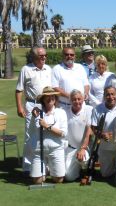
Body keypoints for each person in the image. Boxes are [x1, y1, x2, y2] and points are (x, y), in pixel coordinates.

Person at [15, 47, 52, 175]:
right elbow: (19, 90)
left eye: (45, 55)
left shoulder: (49, 69)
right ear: (34, 57)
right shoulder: (26, 69)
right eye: (41, 56)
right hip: (32, 104)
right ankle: (27, 166)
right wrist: (19, 107)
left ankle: (44, 163)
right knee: (30, 135)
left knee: (45, 134)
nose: (44, 58)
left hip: (46, 105)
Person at [30, 86, 68, 184]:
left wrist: (47, 127)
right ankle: (44, 169)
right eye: (47, 96)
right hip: (39, 150)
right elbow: (32, 130)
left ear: (55, 99)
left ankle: (50, 167)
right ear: (43, 99)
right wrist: (35, 116)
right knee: (38, 181)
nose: (50, 98)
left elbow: (63, 133)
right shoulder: (36, 113)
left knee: (58, 180)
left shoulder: (61, 112)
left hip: (56, 148)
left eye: (52, 96)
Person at [90, 86, 116, 177]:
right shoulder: (97, 109)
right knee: (106, 174)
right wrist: (102, 135)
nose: (110, 97)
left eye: (112, 94)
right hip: (105, 148)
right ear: (104, 96)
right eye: (108, 95)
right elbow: (93, 127)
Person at [64, 90, 93, 181]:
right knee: (68, 177)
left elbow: (89, 131)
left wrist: (83, 148)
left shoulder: (89, 110)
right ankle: (78, 171)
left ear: (83, 99)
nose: (77, 101)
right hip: (70, 149)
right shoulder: (65, 111)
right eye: (74, 99)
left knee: (84, 159)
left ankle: (85, 171)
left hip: (84, 148)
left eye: (79, 99)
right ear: (70, 101)